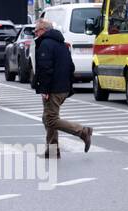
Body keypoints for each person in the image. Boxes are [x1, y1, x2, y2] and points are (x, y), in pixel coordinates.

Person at [31, 18, 92, 157]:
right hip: (62, 88)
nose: (35, 33)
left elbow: (45, 69)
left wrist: (45, 89)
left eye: (37, 30)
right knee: (49, 117)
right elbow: (71, 67)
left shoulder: (45, 44)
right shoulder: (62, 44)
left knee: (50, 119)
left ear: (44, 30)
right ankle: (52, 151)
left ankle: (83, 132)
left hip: (53, 89)